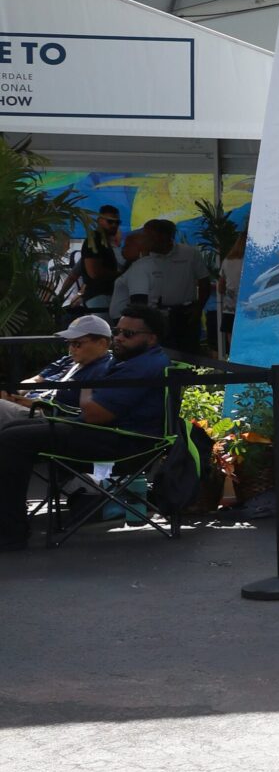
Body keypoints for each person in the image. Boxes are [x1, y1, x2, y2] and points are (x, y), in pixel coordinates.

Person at [0, 307, 172, 552]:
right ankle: (10, 524)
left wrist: (88, 385)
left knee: (13, 440)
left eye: (128, 334)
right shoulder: (133, 360)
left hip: (123, 442)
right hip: (104, 432)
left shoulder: (141, 366)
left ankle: (11, 532)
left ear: (151, 338)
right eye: (118, 331)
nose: (118, 338)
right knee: (13, 430)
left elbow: (94, 414)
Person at [0, 315, 114, 429]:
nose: (71, 349)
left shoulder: (105, 370)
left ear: (102, 343)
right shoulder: (68, 360)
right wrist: (15, 393)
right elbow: (36, 379)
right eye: (69, 343)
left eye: (77, 344)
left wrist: (37, 405)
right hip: (29, 407)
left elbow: (87, 412)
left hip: (51, 418)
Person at [110, 220, 208, 351]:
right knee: (164, 351)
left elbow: (204, 281)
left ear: (164, 236)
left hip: (186, 312)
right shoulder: (145, 259)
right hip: (158, 314)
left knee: (190, 352)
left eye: (148, 235)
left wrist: (199, 308)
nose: (145, 239)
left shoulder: (189, 253)